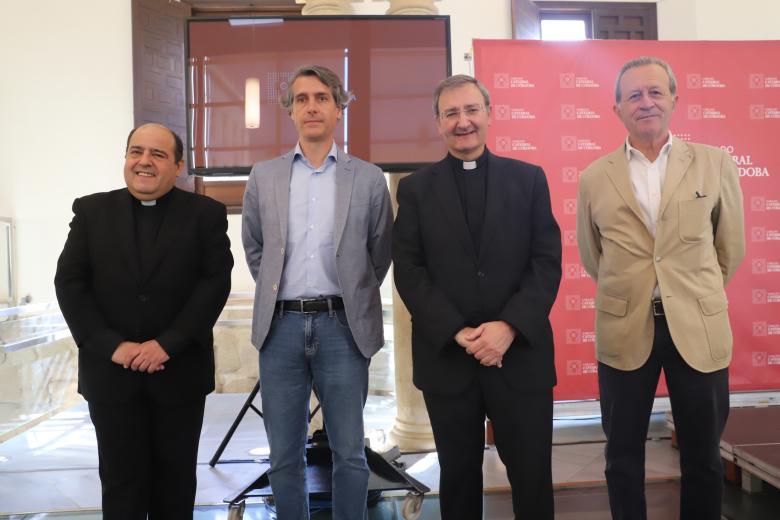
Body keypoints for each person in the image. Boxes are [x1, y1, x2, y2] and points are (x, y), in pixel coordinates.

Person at [576, 56, 745, 520]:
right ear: (617, 109)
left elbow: (729, 247)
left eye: (655, 92)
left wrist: (689, 292)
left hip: (698, 327)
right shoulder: (594, 177)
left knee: (704, 456)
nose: (645, 102)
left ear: (673, 99)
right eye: (634, 95)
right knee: (622, 455)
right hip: (625, 329)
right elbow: (593, 256)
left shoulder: (714, 164)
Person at [392, 74, 562, 519]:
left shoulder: (528, 180)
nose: (462, 122)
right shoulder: (414, 190)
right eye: (451, 113)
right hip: (449, 359)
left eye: (471, 110)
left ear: (489, 114)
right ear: (438, 123)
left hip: (520, 356)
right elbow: (409, 271)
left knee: (531, 477)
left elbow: (546, 263)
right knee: (459, 477)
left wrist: (507, 327)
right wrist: (456, 332)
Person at [54, 123, 233, 519]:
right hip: (110, 373)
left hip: (178, 370)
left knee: (176, 482)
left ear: (178, 166)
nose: (144, 162)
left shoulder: (205, 214)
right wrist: (111, 346)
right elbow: (70, 283)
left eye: (157, 154)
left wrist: (168, 343)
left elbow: (214, 283)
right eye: (136, 152)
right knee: (120, 483)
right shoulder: (90, 210)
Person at [241, 64, 393, 519]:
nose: (312, 106)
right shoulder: (264, 176)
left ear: (338, 107)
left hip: (342, 327)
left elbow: (379, 253)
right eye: (302, 98)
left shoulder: (367, 178)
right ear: (290, 110)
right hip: (280, 328)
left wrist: (351, 297)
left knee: (349, 452)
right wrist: (276, 292)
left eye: (322, 97)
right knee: (284, 454)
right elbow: (255, 247)